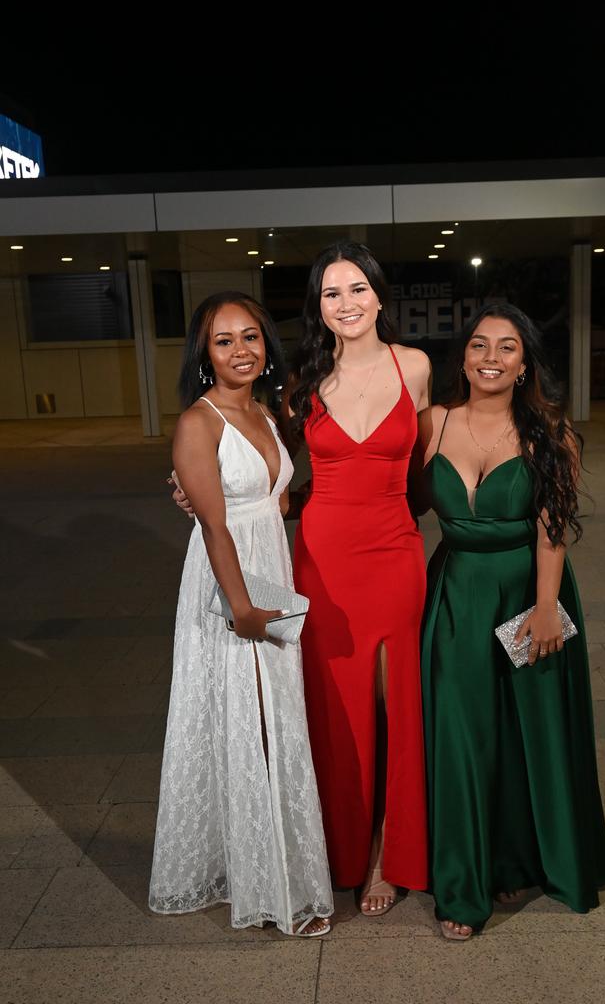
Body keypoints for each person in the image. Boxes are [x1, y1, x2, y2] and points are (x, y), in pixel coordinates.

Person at [415, 303, 605, 941]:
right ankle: (464, 886)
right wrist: (270, 496)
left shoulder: (551, 434)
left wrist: (548, 605)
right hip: (455, 594)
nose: (491, 358)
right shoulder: (432, 423)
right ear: (464, 358)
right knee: (462, 736)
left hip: (530, 593)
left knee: (533, 734)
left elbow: (551, 528)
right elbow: (380, 495)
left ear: (525, 362)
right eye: (480, 346)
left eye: (507, 348)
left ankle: (523, 859)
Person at [149, 291, 333, 938]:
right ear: (204, 353)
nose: (240, 350)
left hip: (269, 571)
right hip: (232, 584)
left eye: (250, 336)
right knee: (246, 720)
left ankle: (275, 868)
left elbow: (277, 503)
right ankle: (263, 892)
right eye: (224, 340)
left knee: (274, 721)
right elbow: (216, 527)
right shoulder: (197, 423)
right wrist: (243, 608)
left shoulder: (266, 409)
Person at [287, 242, 431, 914]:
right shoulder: (303, 381)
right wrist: (195, 489)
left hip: (395, 550)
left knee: (396, 702)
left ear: (379, 294)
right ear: (319, 308)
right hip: (323, 561)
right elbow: (272, 470)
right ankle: (340, 847)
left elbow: (433, 459)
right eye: (330, 294)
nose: (346, 304)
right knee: (337, 709)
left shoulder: (418, 367)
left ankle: (388, 856)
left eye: (356, 289)